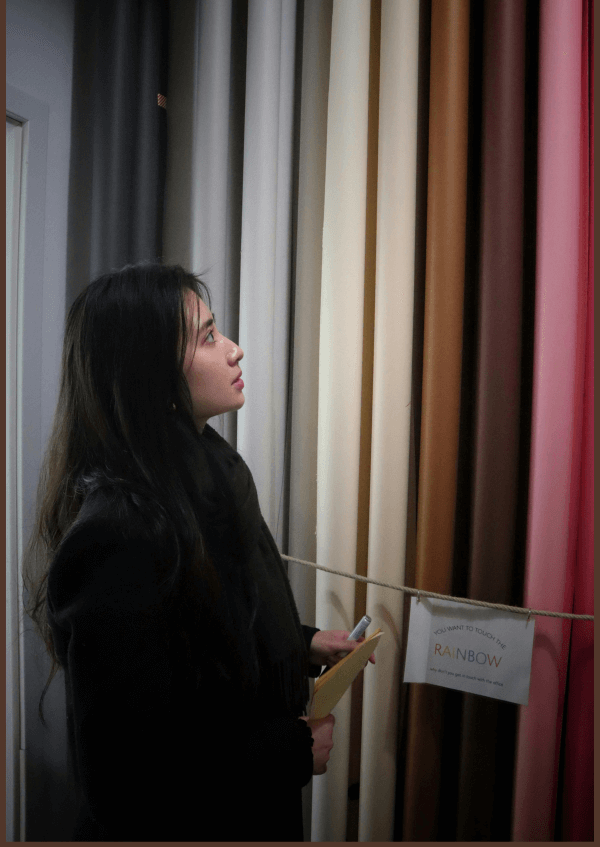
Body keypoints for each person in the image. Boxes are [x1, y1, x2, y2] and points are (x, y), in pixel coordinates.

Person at [23, 262, 373, 841]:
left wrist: (302, 642)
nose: (233, 350)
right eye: (208, 337)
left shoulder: (208, 470)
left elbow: (200, 633)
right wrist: (289, 748)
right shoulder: (116, 536)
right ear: (150, 376)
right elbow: (127, 787)